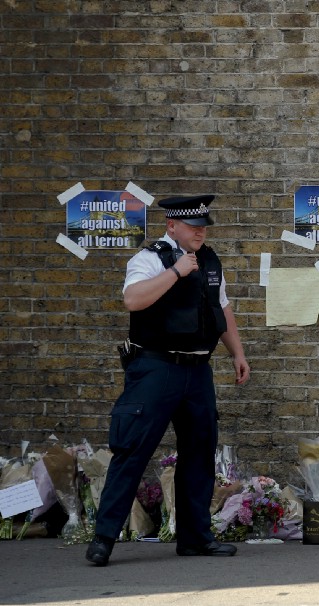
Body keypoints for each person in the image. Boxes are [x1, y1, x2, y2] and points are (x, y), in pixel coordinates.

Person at [86, 195, 250, 566]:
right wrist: (176, 271)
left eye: (203, 227)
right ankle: (103, 539)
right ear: (171, 225)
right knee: (132, 452)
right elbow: (133, 300)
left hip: (197, 371)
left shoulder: (209, 260)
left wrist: (237, 353)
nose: (200, 232)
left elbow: (220, 308)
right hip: (155, 369)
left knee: (199, 455)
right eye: (193, 227)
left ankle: (195, 538)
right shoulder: (149, 258)